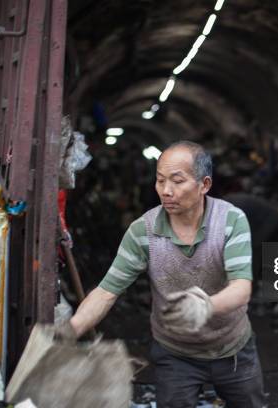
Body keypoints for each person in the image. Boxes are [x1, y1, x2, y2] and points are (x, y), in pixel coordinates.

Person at [58, 141, 265, 408]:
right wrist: (70, 331)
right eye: (160, 181)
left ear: (204, 185)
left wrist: (205, 306)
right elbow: (107, 291)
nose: (166, 191)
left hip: (233, 350)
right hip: (175, 353)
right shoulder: (142, 231)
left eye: (178, 181)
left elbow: (241, 287)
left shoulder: (230, 220)